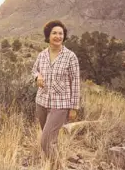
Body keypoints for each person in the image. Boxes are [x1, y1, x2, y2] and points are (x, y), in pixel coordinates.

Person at [32, 20, 80, 158]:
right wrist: (37, 76)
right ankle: (53, 164)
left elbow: (75, 82)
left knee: (45, 141)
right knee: (51, 140)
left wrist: (74, 108)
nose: (58, 36)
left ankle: (57, 166)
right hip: (41, 102)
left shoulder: (70, 57)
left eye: (61, 33)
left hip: (60, 105)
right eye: (54, 33)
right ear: (48, 35)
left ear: (64, 36)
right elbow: (34, 70)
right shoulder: (42, 55)